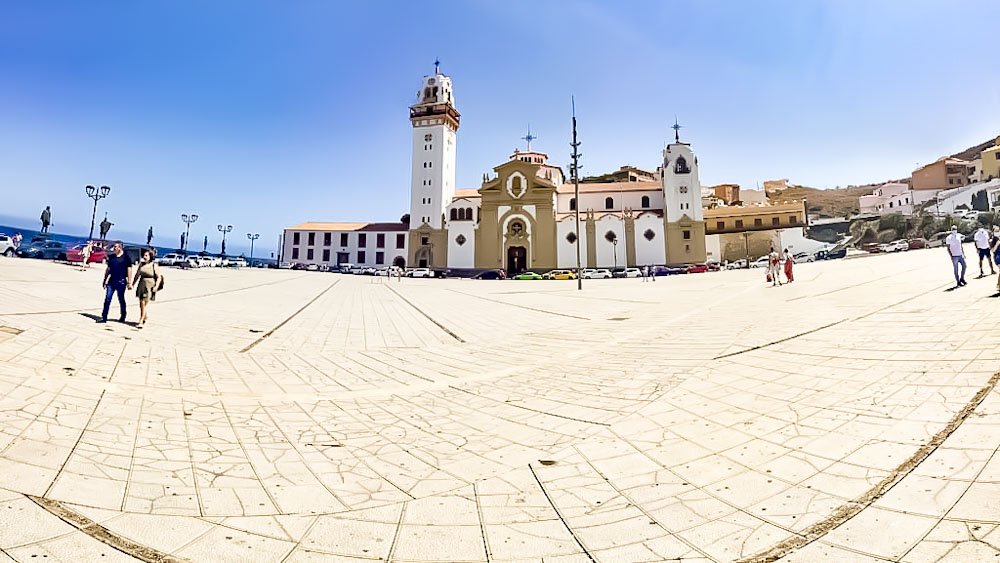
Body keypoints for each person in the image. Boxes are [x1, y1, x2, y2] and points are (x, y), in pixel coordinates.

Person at [100, 241, 133, 323]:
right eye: (114, 247)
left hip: (121, 281)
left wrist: (129, 282)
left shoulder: (126, 258)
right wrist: (104, 280)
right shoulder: (111, 257)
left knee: (121, 299)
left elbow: (129, 269)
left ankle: (123, 315)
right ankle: (104, 317)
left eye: (116, 247)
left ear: (120, 248)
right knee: (107, 299)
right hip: (111, 281)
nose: (114, 248)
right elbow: (108, 269)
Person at [132, 249, 161, 328]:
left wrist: (156, 286)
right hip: (141, 284)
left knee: (143, 302)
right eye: (144, 255)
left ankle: (141, 320)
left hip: (150, 285)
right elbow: (137, 275)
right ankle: (145, 316)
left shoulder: (154, 265)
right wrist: (132, 284)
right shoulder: (141, 265)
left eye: (146, 255)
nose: (144, 257)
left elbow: (159, 277)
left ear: (150, 256)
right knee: (141, 303)